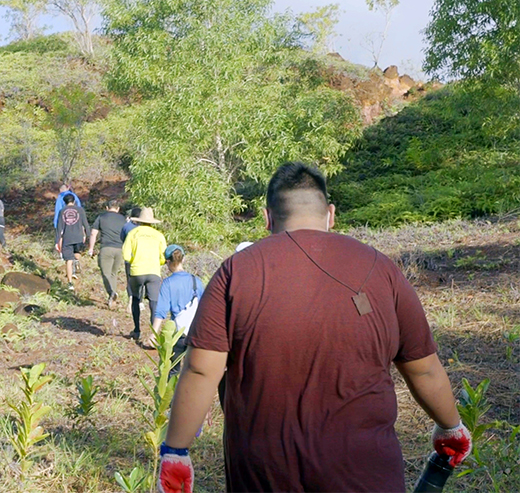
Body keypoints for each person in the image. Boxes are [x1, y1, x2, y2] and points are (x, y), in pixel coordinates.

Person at [158, 162, 471, 493]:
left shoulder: (235, 272)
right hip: (367, 474)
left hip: (264, 476)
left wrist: (175, 451)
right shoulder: (383, 270)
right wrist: (451, 428)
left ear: (267, 217)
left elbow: (201, 371)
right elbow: (423, 370)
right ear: (331, 214)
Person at [147, 245, 204, 375]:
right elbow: (205, 307)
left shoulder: (168, 283)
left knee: (172, 371)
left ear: (167, 262)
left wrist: (154, 333)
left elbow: (161, 311)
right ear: (183, 259)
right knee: (192, 372)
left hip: (177, 334)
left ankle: (171, 395)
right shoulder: (196, 281)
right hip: (195, 332)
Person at [122, 207, 167, 341]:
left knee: (136, 299)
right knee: (154, 302)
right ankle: (154, 334)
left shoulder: (133, 233)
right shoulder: (158, 235)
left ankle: (136, 330)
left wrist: (134, 260)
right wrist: (157, 262)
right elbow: (164, 256)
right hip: (153, 271)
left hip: (137, 271)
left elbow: (125, 255)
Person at [87, 199, 126, 308]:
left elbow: (93, 234)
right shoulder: (123, 219)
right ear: (118, 209)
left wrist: (91, 248)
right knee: (114, 273)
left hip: (106, 248)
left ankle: (112, 293)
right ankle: (112, 298)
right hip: (120, 249)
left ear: (107, 208)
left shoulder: (101, 217)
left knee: (105, 273)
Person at [55, 193, 90, 290]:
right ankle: (77, 262)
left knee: (68, 261)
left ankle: (70, 282)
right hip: (78, 237)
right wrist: (88, 236)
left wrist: (57, 241)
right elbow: (85, 224)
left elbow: (59, 227)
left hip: (67, 238)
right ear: (74, 201)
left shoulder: (62, 211)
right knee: (77, 253)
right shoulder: (80, 210)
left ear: (64, 202)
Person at [121, 207, 141, 313]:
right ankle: (140, 301)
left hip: (129, 256)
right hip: (141, 257)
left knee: (129, 279)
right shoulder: (144, 228)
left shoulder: (126, 226)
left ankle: (130, 299)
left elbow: (122, 238)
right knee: (141, 279)